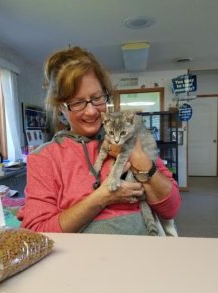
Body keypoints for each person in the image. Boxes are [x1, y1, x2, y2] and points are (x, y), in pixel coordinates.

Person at [18, 46, 181, 234]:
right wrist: (103, 197)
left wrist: (138, 157)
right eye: (77, 103)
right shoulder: (45, 157)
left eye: (97, 98)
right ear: (61, 107)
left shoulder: (133, 135)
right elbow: (38, 232)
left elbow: (171, 209)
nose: (91, 111)